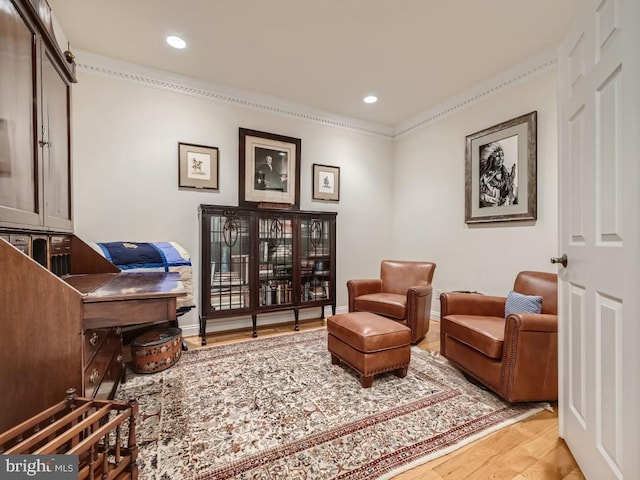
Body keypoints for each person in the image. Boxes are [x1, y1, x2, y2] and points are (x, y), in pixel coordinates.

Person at [479, 142, 517, 207]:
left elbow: (512, 195)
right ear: (491, 158)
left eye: (502, 155)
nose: (501, 158)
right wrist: (494, 200)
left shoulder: (507, 173)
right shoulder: (485, 177)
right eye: (497, 156)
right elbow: (480, 196)